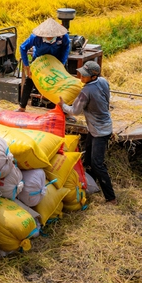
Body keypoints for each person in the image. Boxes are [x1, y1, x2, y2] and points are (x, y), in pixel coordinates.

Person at [58, 60, 117, 204]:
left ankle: (111, 197)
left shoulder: (86, 91)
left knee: (97, 164)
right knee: (88, 158)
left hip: (99, 132)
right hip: (101, 126)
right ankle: (90, 185)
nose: (81, 77)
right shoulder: (103, 81)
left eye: (84, 76)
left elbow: (75, 111)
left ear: (93, 76)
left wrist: (63, 105)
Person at [18, 18, 71, 111]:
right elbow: (23, 47)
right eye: (47, 36)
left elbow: (67, 47)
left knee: (62, 82)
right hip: (39, 60)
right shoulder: (35, 38)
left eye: (52, 36)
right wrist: (27, 65)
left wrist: (62, 62)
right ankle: (22, 107)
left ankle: (64, 110)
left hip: (57, 60)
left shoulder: (63, 37)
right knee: (30, 79)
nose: (50, 38)